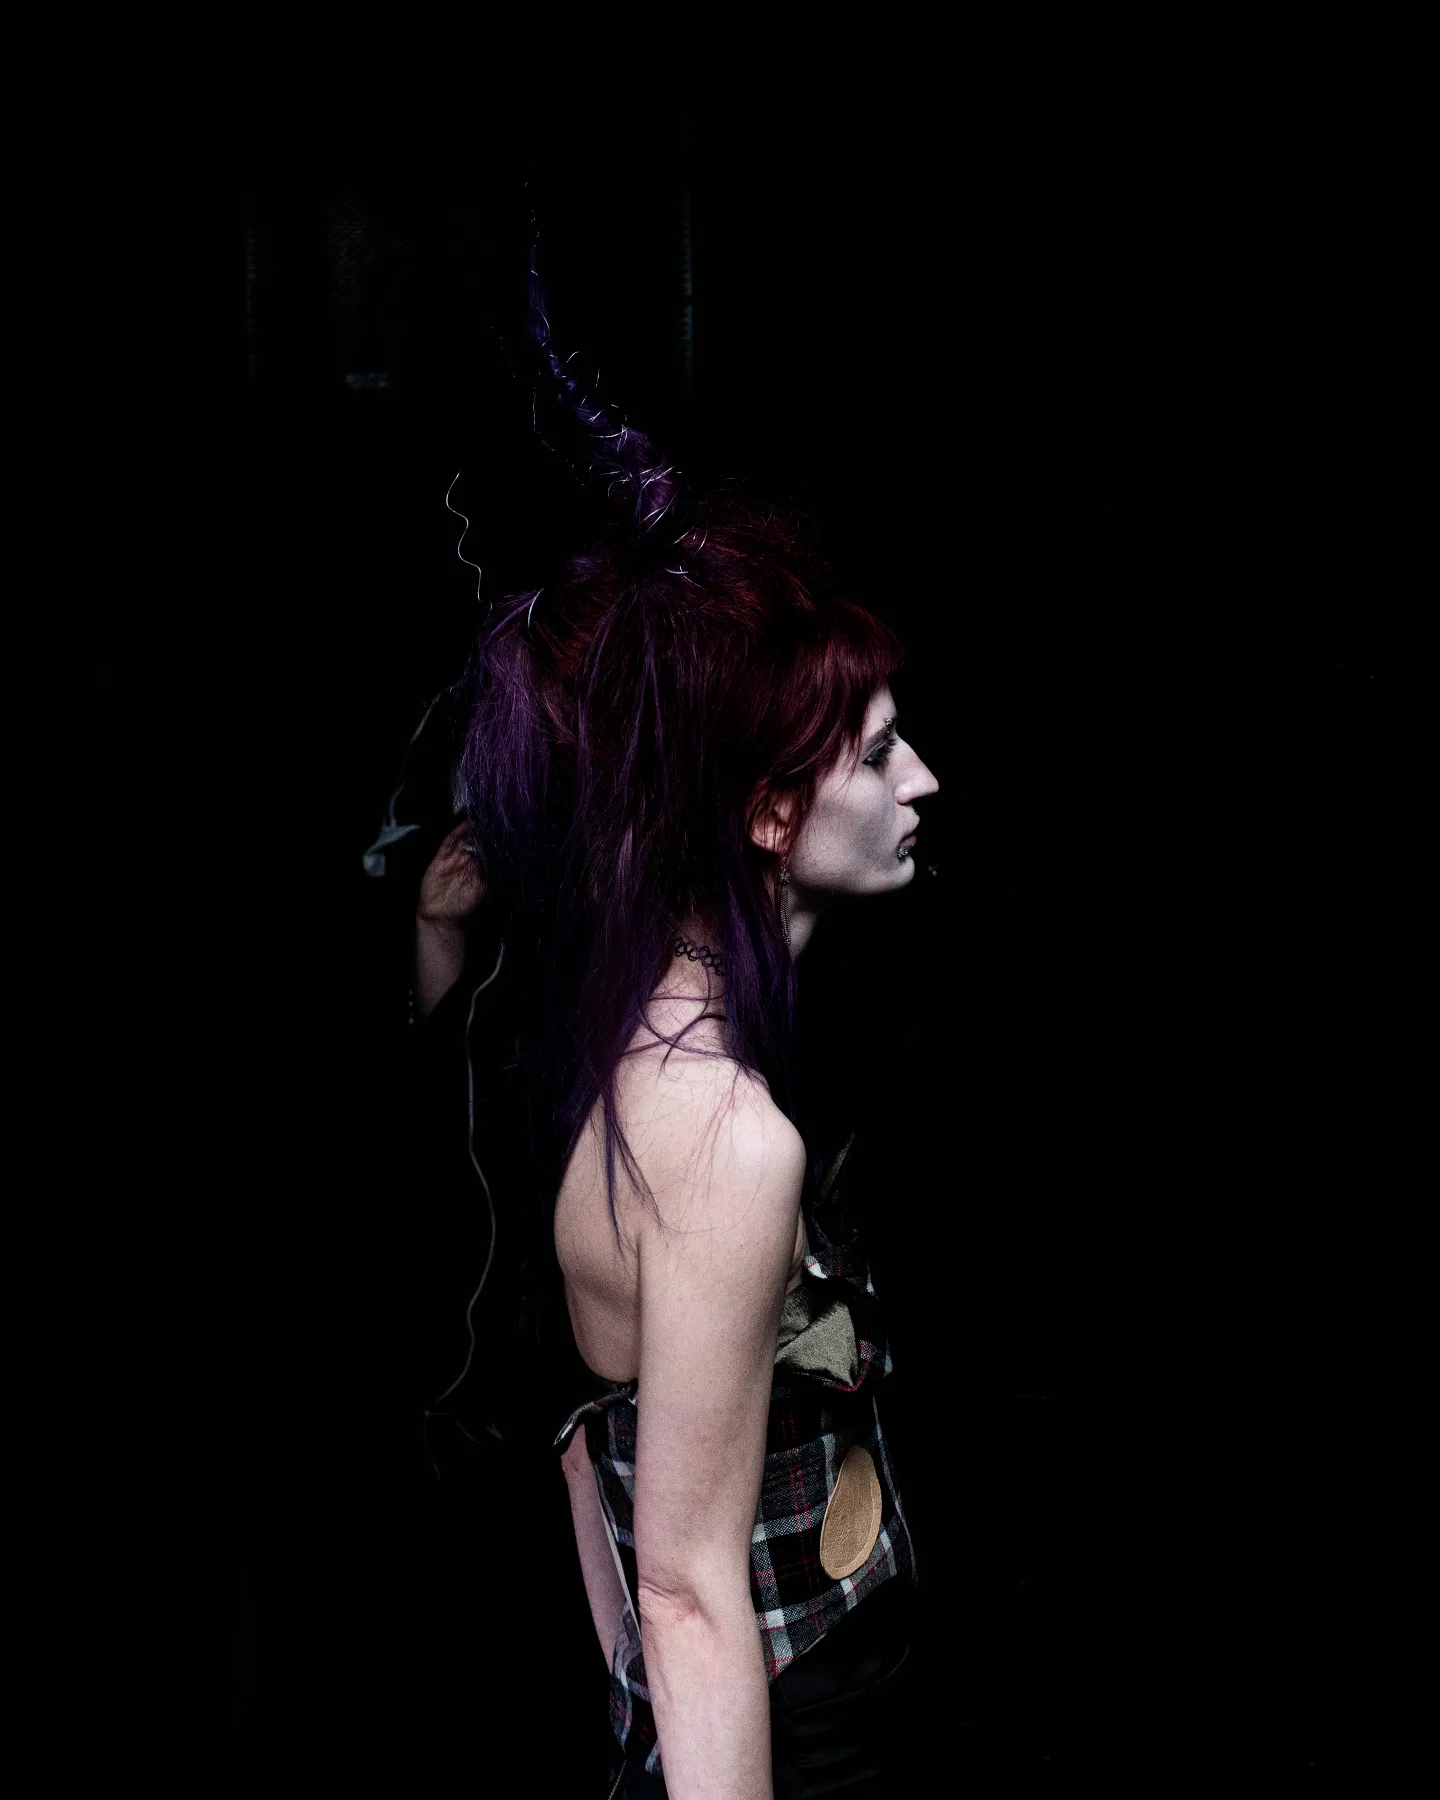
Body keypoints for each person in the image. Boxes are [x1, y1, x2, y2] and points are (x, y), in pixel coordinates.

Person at [455, 242, 940, 1799]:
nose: (923, 779)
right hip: (805, 1735)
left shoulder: (631, 1039)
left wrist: (631, 1715)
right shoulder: (724, 1137)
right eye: (880, 752)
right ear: (770, 813)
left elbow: (574, 1429)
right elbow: (682, 1592)